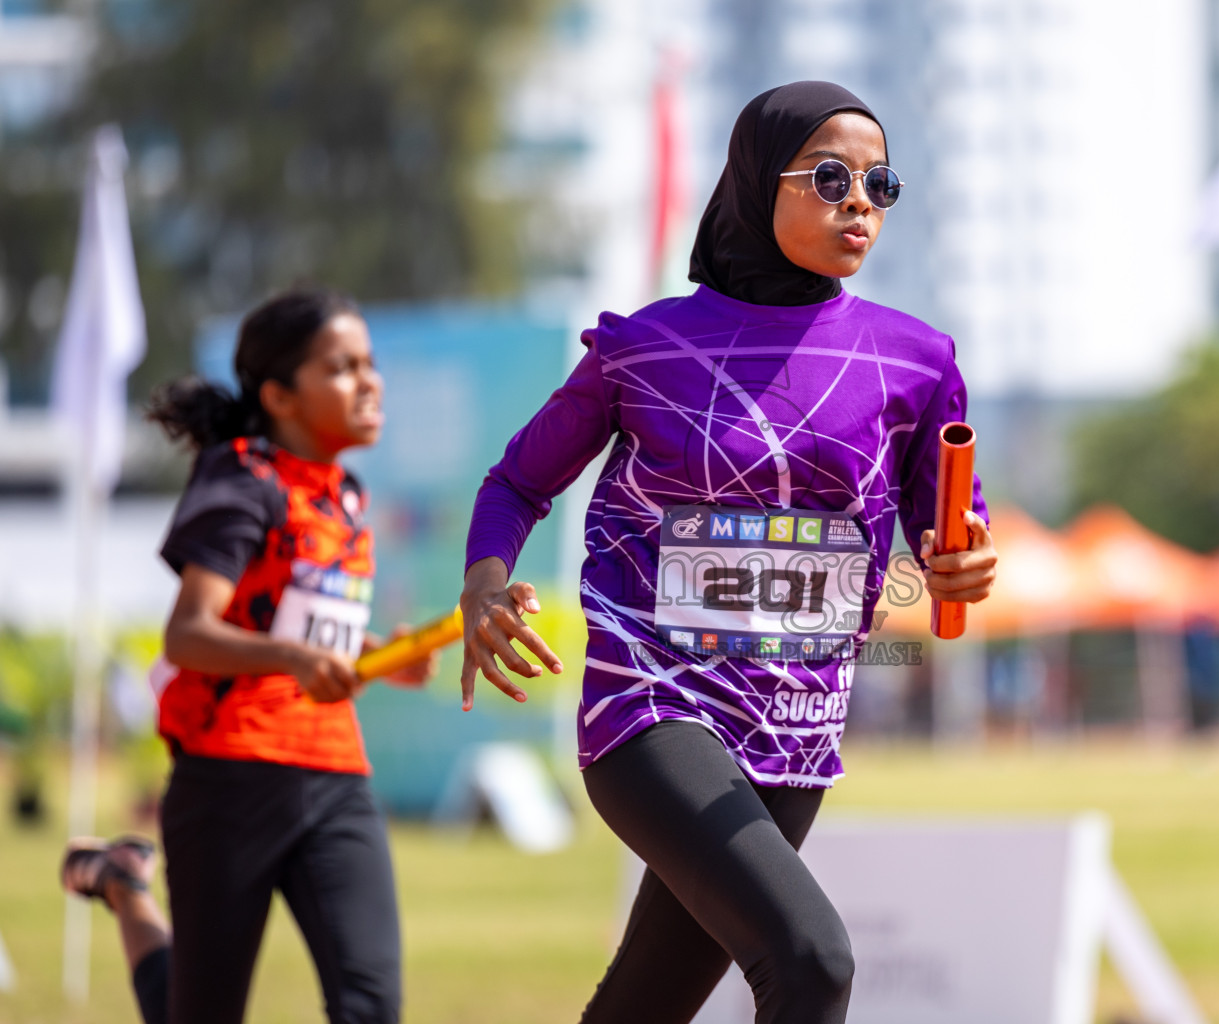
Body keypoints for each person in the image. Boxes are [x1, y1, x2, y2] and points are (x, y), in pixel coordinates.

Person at [459, 81, 997, 1024]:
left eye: (881, 184)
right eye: (831, 178)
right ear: (757, 181)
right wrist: (485, 584)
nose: (860, 203)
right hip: (650, 706)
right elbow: (516, 484)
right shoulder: (646, 348)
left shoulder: (919, 360)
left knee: (647, 1003)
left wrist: (964, 564)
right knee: (812, 960)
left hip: (797, 722)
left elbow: (950, 529)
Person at [60, 288, 437, 1024]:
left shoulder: (348, 496)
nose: (369, 381)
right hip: (230, 774)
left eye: (371, 363)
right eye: (342, 367)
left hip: (335, 776)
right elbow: (191, 632)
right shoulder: (243, 480)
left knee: (372, 1008)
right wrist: (294, 660)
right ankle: (123, 886)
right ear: (280, 396)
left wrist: (376, 656)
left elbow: (290, 623)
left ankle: (120, 880)